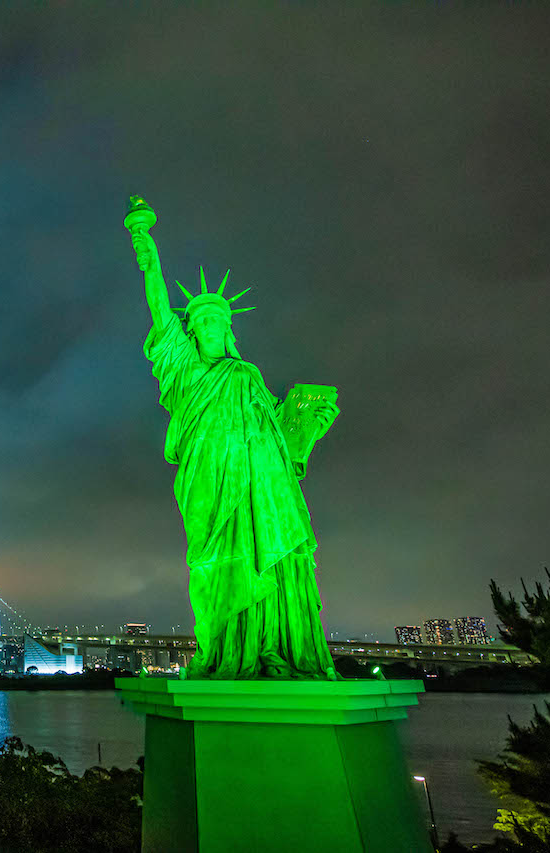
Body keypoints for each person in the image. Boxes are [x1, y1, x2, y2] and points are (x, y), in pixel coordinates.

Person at [131, 225, 337, 679]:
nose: (212, 328)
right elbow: (160, 308)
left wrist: (306, 424)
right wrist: (148, 253)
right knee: (214, 563)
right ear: (191, 332)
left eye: (219, 322)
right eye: (202, 322)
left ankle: (269, 648)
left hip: (259, 485)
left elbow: (275, 437)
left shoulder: (246, 374)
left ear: (228, 331)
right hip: (208, 477)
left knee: (266, 554)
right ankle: (226, 647)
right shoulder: (183, 369)